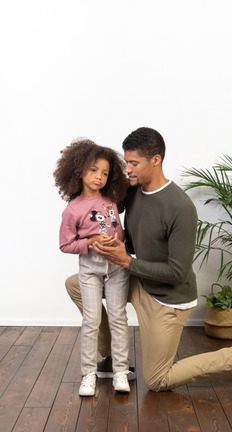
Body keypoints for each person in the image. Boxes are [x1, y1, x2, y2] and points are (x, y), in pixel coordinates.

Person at [65, 127, 232, 392]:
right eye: (126, 162)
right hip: (141, 279)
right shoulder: (133, 192)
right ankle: (116, 359)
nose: (128, 169)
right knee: (75, 284)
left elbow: (177, 273)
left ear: (155, 160)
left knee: (158, 380)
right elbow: (101, 208)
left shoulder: (180, 207)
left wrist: (126, 262)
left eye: (134, 163)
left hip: (168, 298)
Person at [54, 138, 133, 396]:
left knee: (119, 317)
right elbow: (65, 244)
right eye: (93, 170)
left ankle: (120, 371)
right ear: (78, 170)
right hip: (90, 268)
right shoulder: (73, 210)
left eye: (105, 172)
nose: (99, 177)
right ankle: (89, 373)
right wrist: (89, 242)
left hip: (117, 267)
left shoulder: (113, 199)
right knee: (91, 320)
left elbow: (126, 200)